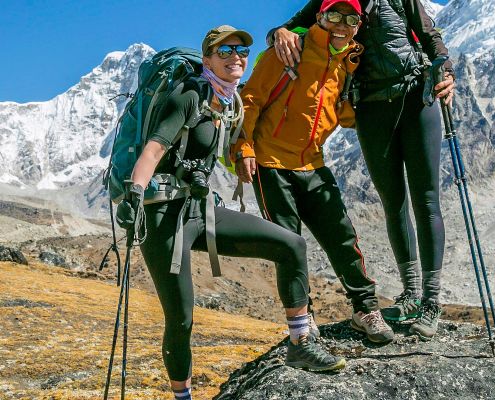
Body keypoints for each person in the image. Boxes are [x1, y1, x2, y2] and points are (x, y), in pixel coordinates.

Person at [116, 25, 345, 400]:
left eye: (241, 51)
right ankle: (183, 397)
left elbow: (225, 147)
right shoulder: (189, 94)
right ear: (206, 60)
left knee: (291, 245)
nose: (236, 57)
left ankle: (300, 342)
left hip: (199, 210)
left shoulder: (228, 102)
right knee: (181, 319)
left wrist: (243, 154)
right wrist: (134, 195)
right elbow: (153, 151)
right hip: (160, 218)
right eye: (225, 51)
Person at [268, 0, 456, 341]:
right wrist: (278, 32)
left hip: (416, 96)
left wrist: (447, 71)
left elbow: (429, 34)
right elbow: (292, 27)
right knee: (393, 202)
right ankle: (411, 295)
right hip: (369, 106)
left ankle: (431, 300)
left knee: (426, 200)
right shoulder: (332, 2)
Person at [233, 0, 394, 344]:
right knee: (289, 245)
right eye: (333, 15)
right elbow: (251, 99)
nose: (341, 23)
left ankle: (364, 308)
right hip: (270, 163)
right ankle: (303, 321)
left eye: (350, 18)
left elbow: (343, 114)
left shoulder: (348, 63)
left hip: (312, 163)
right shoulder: (287, 49)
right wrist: (243, 148)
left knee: (342, 236)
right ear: (319, 17)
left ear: (358, 25)